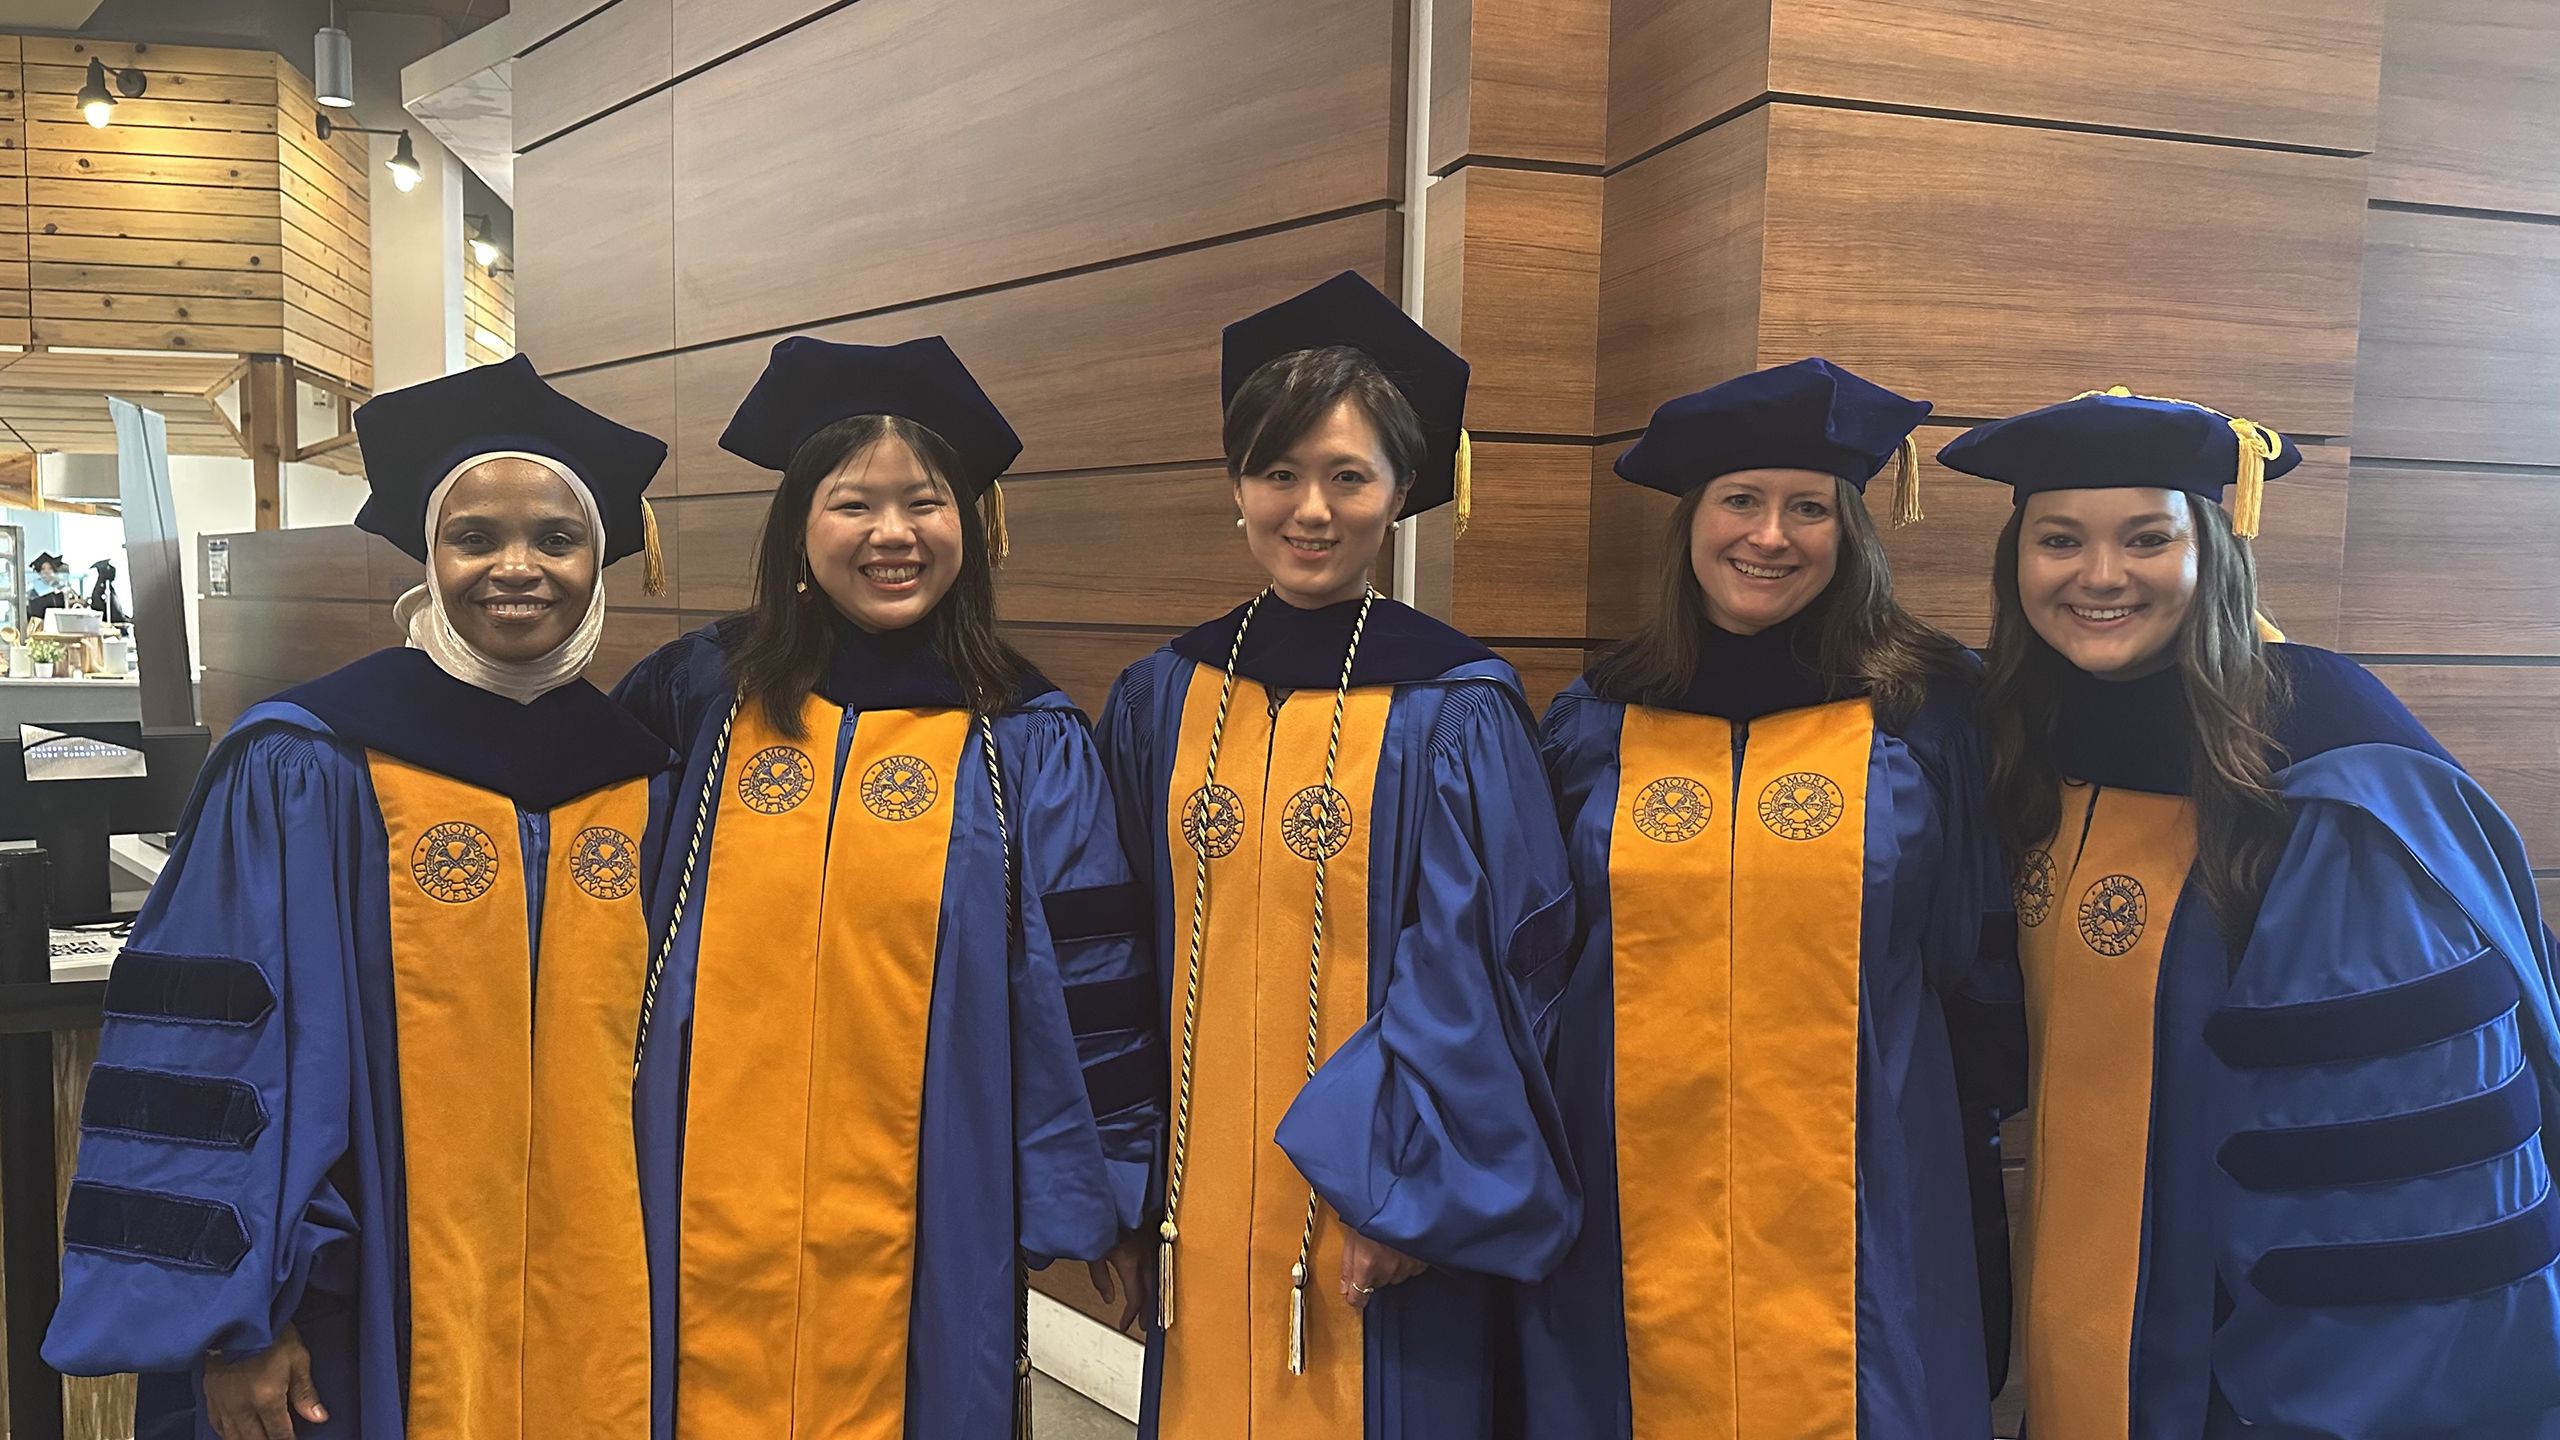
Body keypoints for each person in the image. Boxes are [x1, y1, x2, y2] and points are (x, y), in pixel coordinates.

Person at [44, 354, 678, 1440]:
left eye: (555, 539)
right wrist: (240, 1320)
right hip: (361, 1298)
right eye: (475, 537)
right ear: (429, 557)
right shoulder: (303, 762)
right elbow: (213, 1062)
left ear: (600, 558)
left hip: (604, 1297)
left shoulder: (642, 777)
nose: (515, 566)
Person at [1940, 386, 2560, 1438]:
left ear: (2212, 551)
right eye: (2058, 541)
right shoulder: (2026, 741)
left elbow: (2381, 1159)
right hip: (2090, 1321)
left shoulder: (2319, 769)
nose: (2098, 576)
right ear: (2017, 566)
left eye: (2145, 538)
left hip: (2274, 1375)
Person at [612, 335, 1157, 1440]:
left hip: (932, 1188)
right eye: (853, 503)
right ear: (798, 527)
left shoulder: (1024, 736)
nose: (893, 534)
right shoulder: (695, 700)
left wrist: (1118, 1184)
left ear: (974, 523)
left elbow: (1093, 976)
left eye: (927, 502)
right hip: (686, 1179)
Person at [1098, 271, 1580, 1439]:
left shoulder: (1456, 706)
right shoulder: (1163, 693)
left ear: (1400, 492)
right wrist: (1122, 1184)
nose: (1308, 510)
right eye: (1278, 474)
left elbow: (1480, 975)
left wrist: (1407, 1194)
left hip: (1374, 1197)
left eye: (1346, 476)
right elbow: (1110, 951)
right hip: (1195, 1195)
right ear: (1238, 487)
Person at [1511, 359, 2006, 1438]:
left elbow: (1978, 950)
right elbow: (1539, 960)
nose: (1769, 536)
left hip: (1872, 1176)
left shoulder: (1929, 710)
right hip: (1627, 1184)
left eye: (1807, 509)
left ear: (1851, 531)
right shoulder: (1600, 716)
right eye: (1741, 501)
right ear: (1691, 522)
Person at [28, 550, 72, 625]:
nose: (46, 571)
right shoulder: (34, 593)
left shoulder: (60, 589)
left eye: (50, 568)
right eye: (43, 569)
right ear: (39, 573)